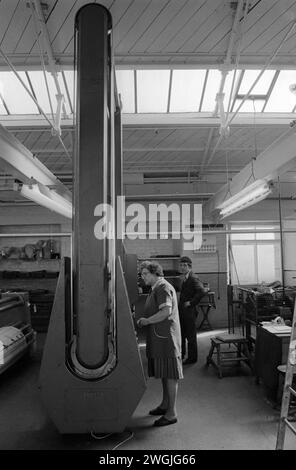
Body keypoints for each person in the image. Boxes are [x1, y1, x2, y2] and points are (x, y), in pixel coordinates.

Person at [137, 261, 183, 427]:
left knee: (170, 375)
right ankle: (165, 405)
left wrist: (147, 321)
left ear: (155, 273)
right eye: (141, 275)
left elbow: (166, 311)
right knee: (164, 373)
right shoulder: (155, 288)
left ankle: (171, 413)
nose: (143, 278)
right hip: (159, 337)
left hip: (166, 339)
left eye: (145, 274)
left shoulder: (163, 287)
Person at [179, 256, 206, 365]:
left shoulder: (193, 277)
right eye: (180, 265)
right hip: (184, 311)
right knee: (183, 333)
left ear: (189, 266)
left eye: (184, 265)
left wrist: (191, 302)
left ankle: (192, 358)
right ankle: (182, 355)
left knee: (190, 335)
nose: (181, 267)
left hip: (189, 311)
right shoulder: (185, 277)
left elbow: (202, 291)